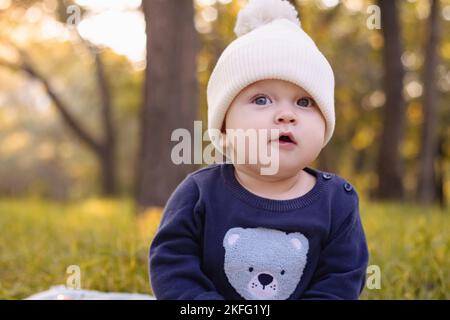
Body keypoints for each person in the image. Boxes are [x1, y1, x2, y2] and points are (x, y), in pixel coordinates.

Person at [149, 0, 369, 300]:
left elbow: (340, 282)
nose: (286, 115)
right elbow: (172, 266)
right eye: (262, 100)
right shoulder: (199, 194)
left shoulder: (337, 203)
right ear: (224, 130)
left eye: (304, 102)